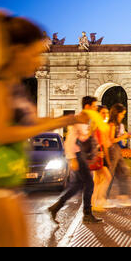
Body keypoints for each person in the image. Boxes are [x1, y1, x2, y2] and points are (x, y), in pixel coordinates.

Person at [0, 9, 86, 247]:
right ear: (17, 52)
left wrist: (67, 120)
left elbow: (31, 123)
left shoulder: (12, 85)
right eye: (35, 53)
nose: (39, 61)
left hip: (3, 182)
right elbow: (0, 133)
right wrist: (56, 122)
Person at [48, 96, 103, 224]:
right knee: (89, 183)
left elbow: (84, 137)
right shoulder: (79, 119)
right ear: (88, 106)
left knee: (77, 185)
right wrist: (72, 159)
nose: (96, 108)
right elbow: (70, 140)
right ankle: (87, 215)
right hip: (77, 155)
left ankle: (55, 207)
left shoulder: (86, 120)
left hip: (80, 155)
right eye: (94, 106)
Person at [106, 103, 131, 206]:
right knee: (109, 174)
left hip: (117, 150)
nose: (123, 116)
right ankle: (103, 198)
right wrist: (123, 137)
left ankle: (123, 196)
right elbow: (111, 140)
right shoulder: (112, 124)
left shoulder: (118, 125)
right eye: (122, 114)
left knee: (124, 171)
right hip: (112, 150)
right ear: (116, 113)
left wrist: (126, 136)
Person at [91, 105, 113, 212]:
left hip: (99, 154)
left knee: (97, 181)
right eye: (103, 112)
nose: (105, 115)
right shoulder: (98, 126)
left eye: (107, 112)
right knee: (107, 178)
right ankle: (98, 201)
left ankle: (94, 203)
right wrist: (108, 160)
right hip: (99, 155)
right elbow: (102, 143)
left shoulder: (100, 125)